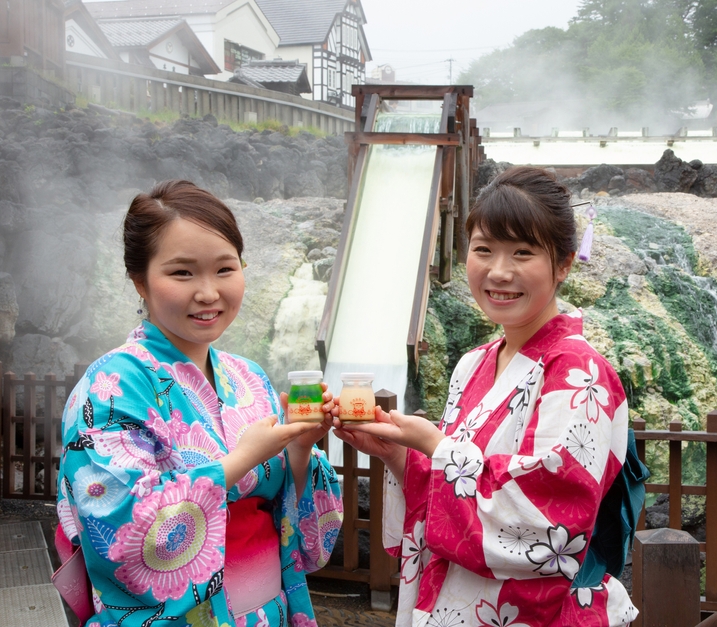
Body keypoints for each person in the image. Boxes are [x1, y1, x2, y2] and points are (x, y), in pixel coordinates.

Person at [333, 166, 643, 626]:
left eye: (522, 252)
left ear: (563, 264)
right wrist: (397, 453)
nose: (499, 271)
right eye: (483, 250)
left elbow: (548, 520)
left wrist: (435, 445)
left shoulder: (579, 370)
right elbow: (453, 482)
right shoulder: (472, 363)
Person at [55, 180, 342, 627]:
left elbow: (296, 525)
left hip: (270, 613)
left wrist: (300, 448)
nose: (208, 293)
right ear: (140, 281)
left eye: (225, 269)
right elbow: (118, 528)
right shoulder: (109, 387)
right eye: (182, 273)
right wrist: (242, 460)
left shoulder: (249, 376)